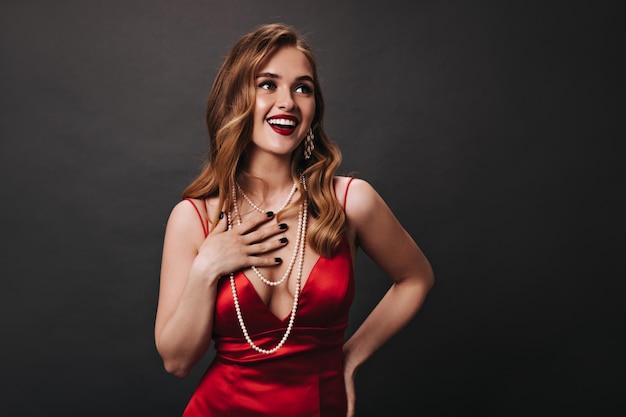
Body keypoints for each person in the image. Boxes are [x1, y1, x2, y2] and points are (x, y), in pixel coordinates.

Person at [154, 22, 434, 417]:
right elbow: (177, 362)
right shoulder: (195, 217)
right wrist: (206, 267)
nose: (287, 101)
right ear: (238, 99)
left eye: (302, 88)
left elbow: (416, 277)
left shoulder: (351, 201)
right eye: (267, 84)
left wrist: (350, 359)